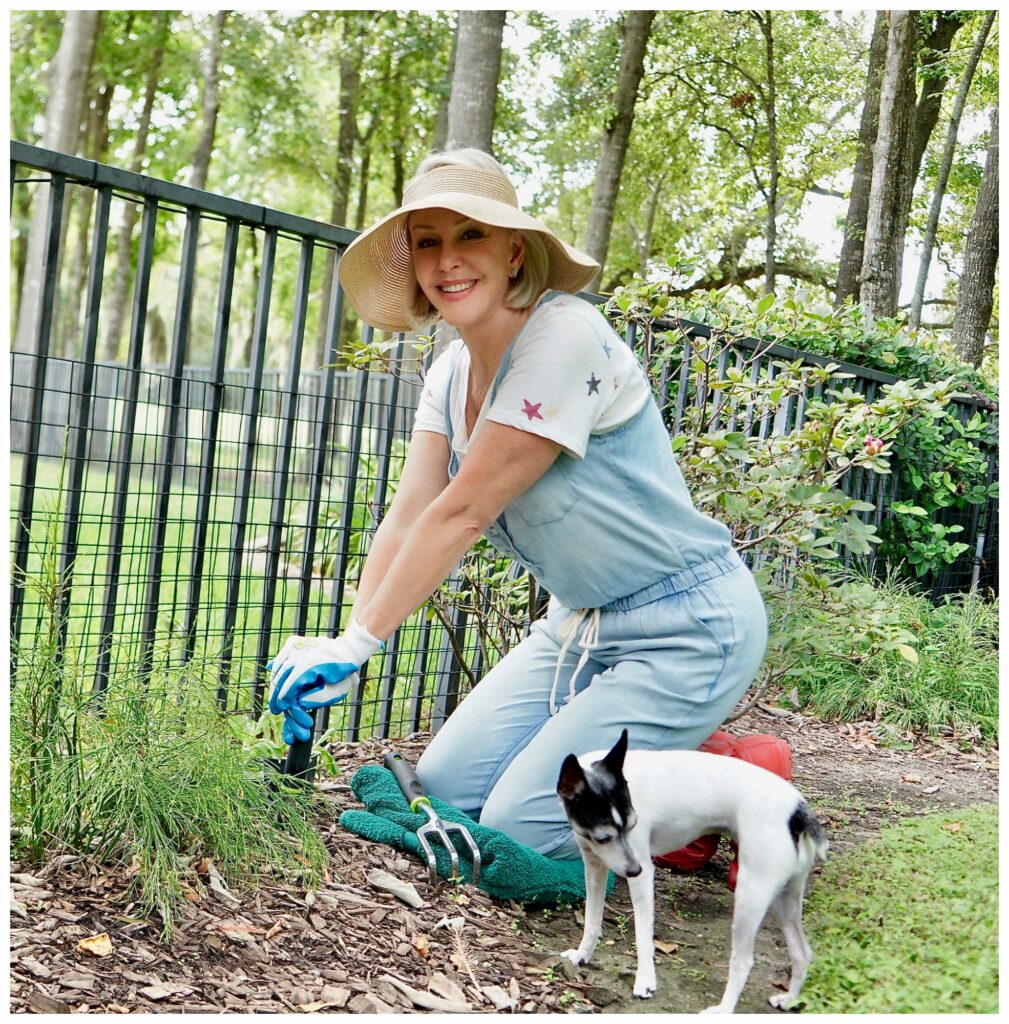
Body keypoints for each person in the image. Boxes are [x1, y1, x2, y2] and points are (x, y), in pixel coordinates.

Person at [269, 149, 768, 861]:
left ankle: (724, 772)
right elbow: (412, 512)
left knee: (518, 828)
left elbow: (462, 514)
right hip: (578, 630)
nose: (448, 262)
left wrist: (361, 645)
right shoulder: (448, 372)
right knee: (443, 789)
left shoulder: (562, 336)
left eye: (469, 235)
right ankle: (661, 758)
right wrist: (343, 639)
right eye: (428, 242)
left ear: (513, 251)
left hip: (686, 630)